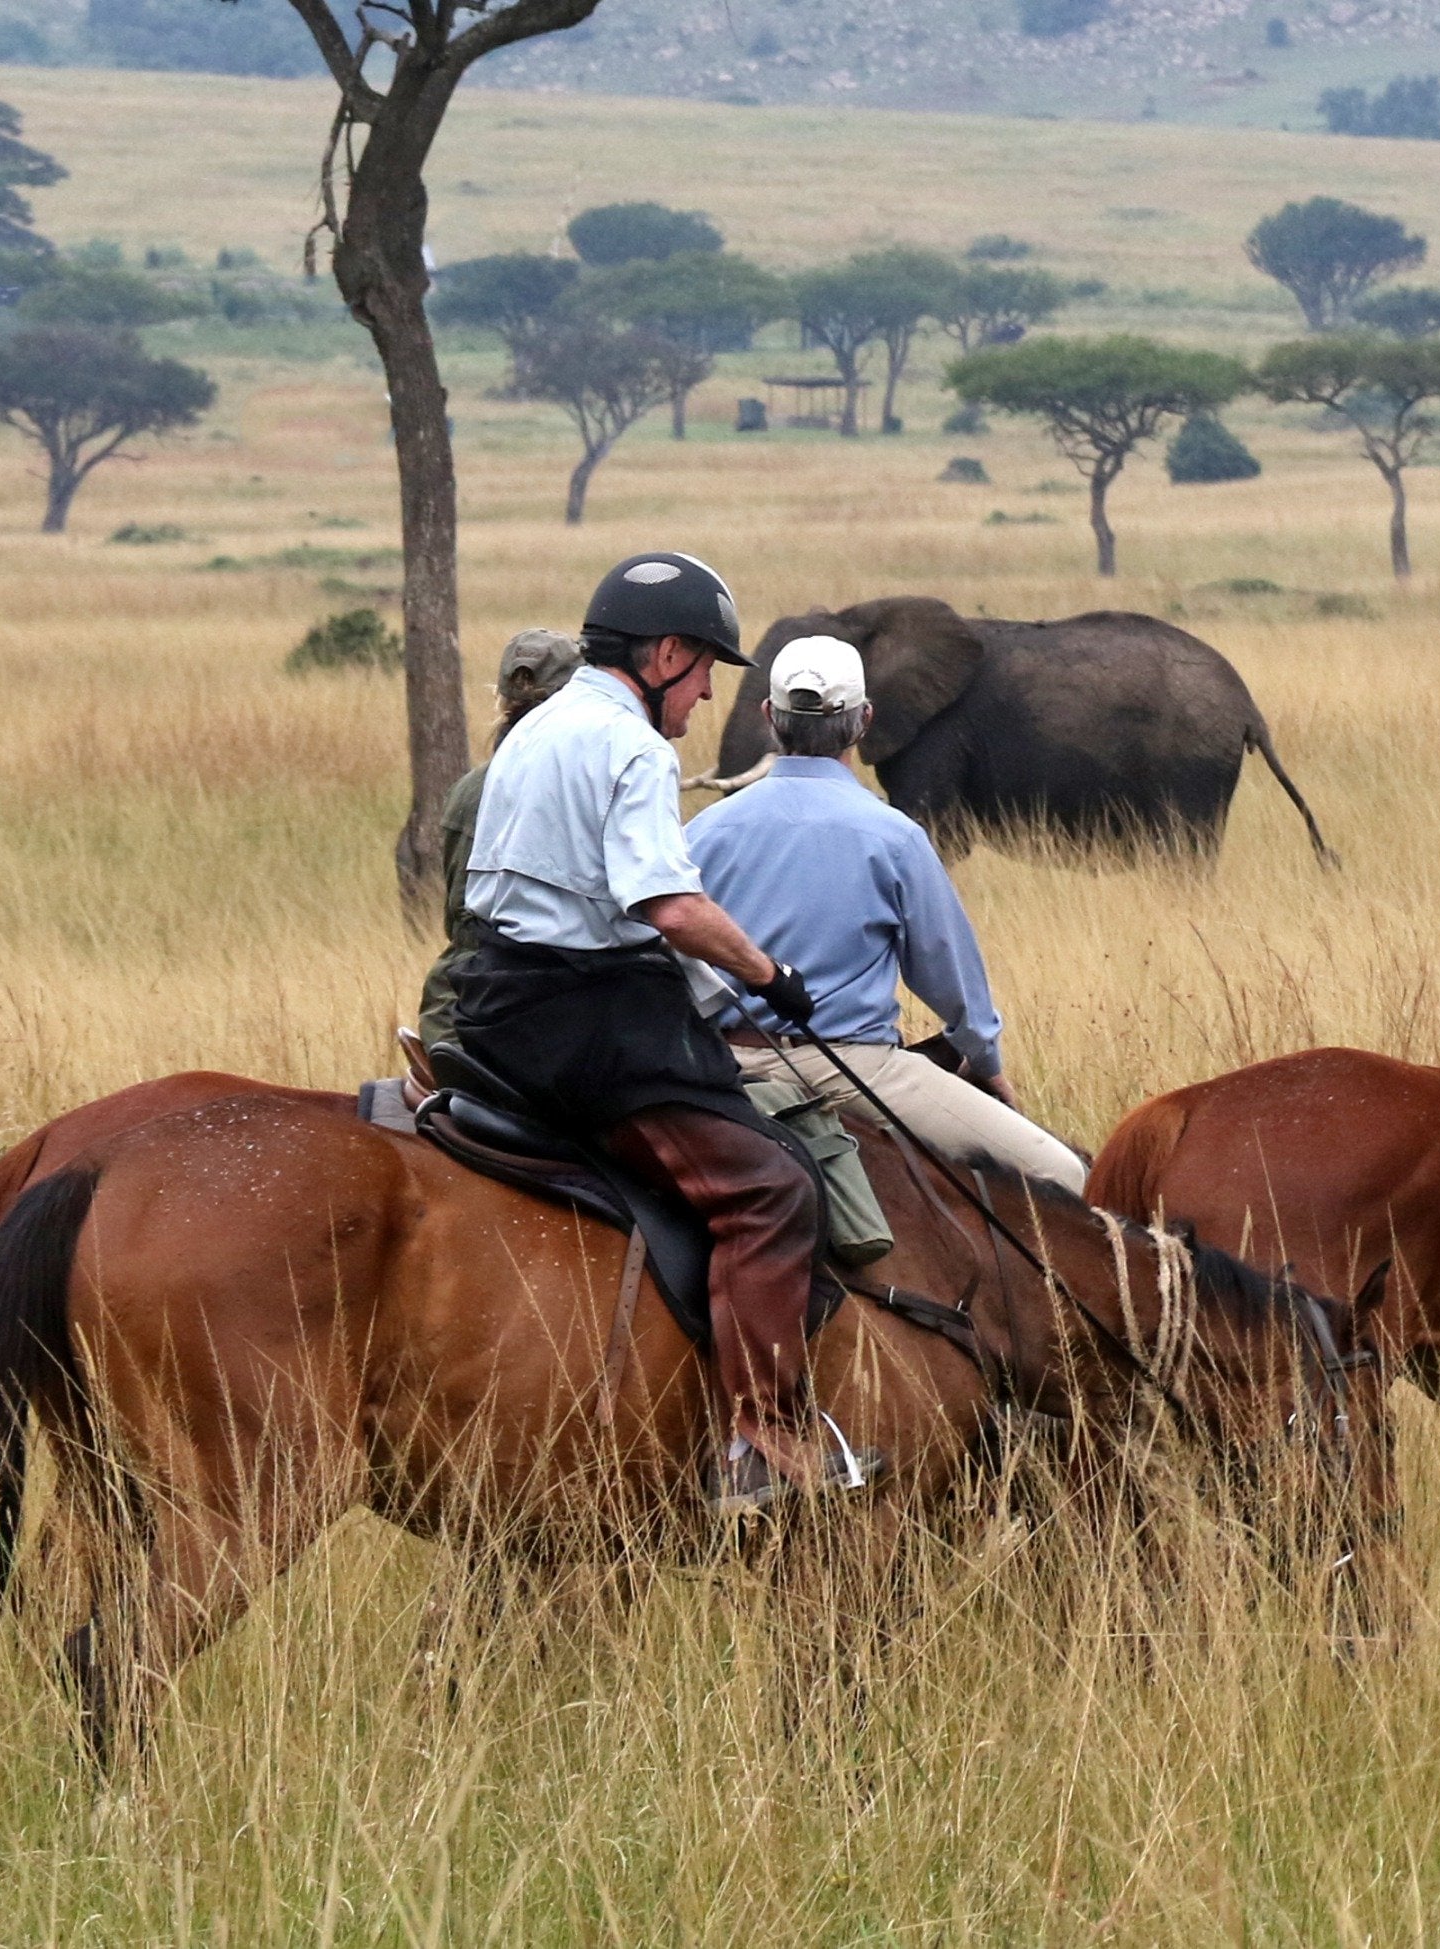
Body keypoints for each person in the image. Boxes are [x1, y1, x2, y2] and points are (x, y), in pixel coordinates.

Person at [452, 550, 863, 1518]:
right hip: (588, 1022)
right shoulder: (633, 747)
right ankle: (762, 1436)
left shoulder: (540, 724)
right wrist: (772, 974)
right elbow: (669, 904)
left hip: (495, 1001)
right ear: (666, 653)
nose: (709, 690)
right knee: (772, 1186)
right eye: (706, 667)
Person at [689, 637, 1087, 1193]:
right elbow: (948, 977)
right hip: (854, 1073)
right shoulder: (893, 836)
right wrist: (986, 1062)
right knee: (1061, 1173)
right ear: (864, 721)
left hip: (719, 1069)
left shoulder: (704, 832)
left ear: (768, 717)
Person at [411, 628, 591, 1057]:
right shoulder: (570, 786)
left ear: (503, 698)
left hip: (450, 1003)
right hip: (524, 1012)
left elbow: (458, 923)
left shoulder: (466, 789)